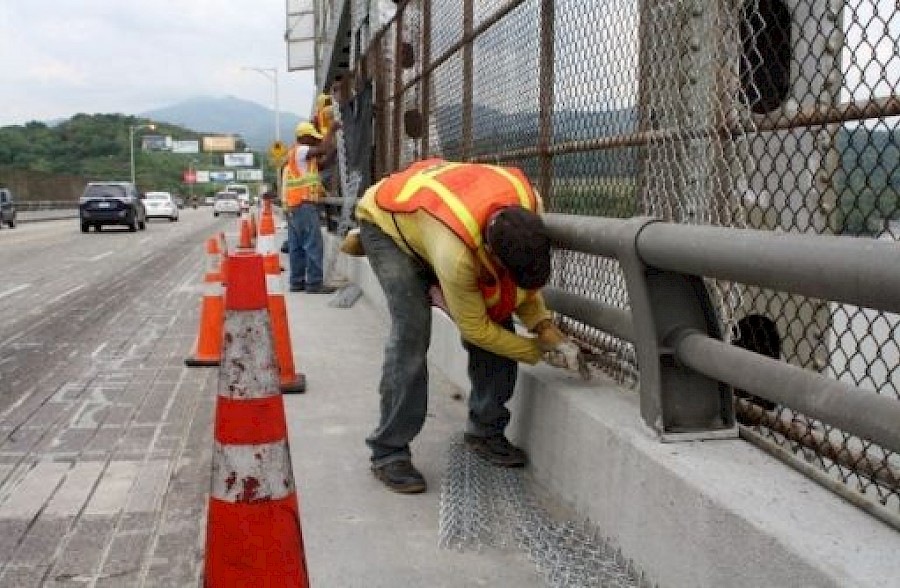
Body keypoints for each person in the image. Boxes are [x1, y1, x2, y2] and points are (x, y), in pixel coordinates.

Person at [353, 158, 586, 494]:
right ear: (491, 253)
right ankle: (389, 451)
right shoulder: (457, 255)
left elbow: (519, 292)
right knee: (412, 332)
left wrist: (548, 331)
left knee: (499, 314)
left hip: (433, 218)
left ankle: (485, 431)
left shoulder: (530, 208)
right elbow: (476, 329)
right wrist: (538, 352)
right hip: (387, 222)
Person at [283, 120, 339, 294]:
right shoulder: (300, 150)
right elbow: (321, 150)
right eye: (313, 138)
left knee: (297, 246)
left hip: (294, 206)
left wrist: (335, 150)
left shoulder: (300, 158)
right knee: (313, 244)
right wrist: (332, 130)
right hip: (303, 205)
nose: (316, 141)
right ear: (304, 137)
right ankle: (314, 283)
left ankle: (297, 282)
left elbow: (322, 163)